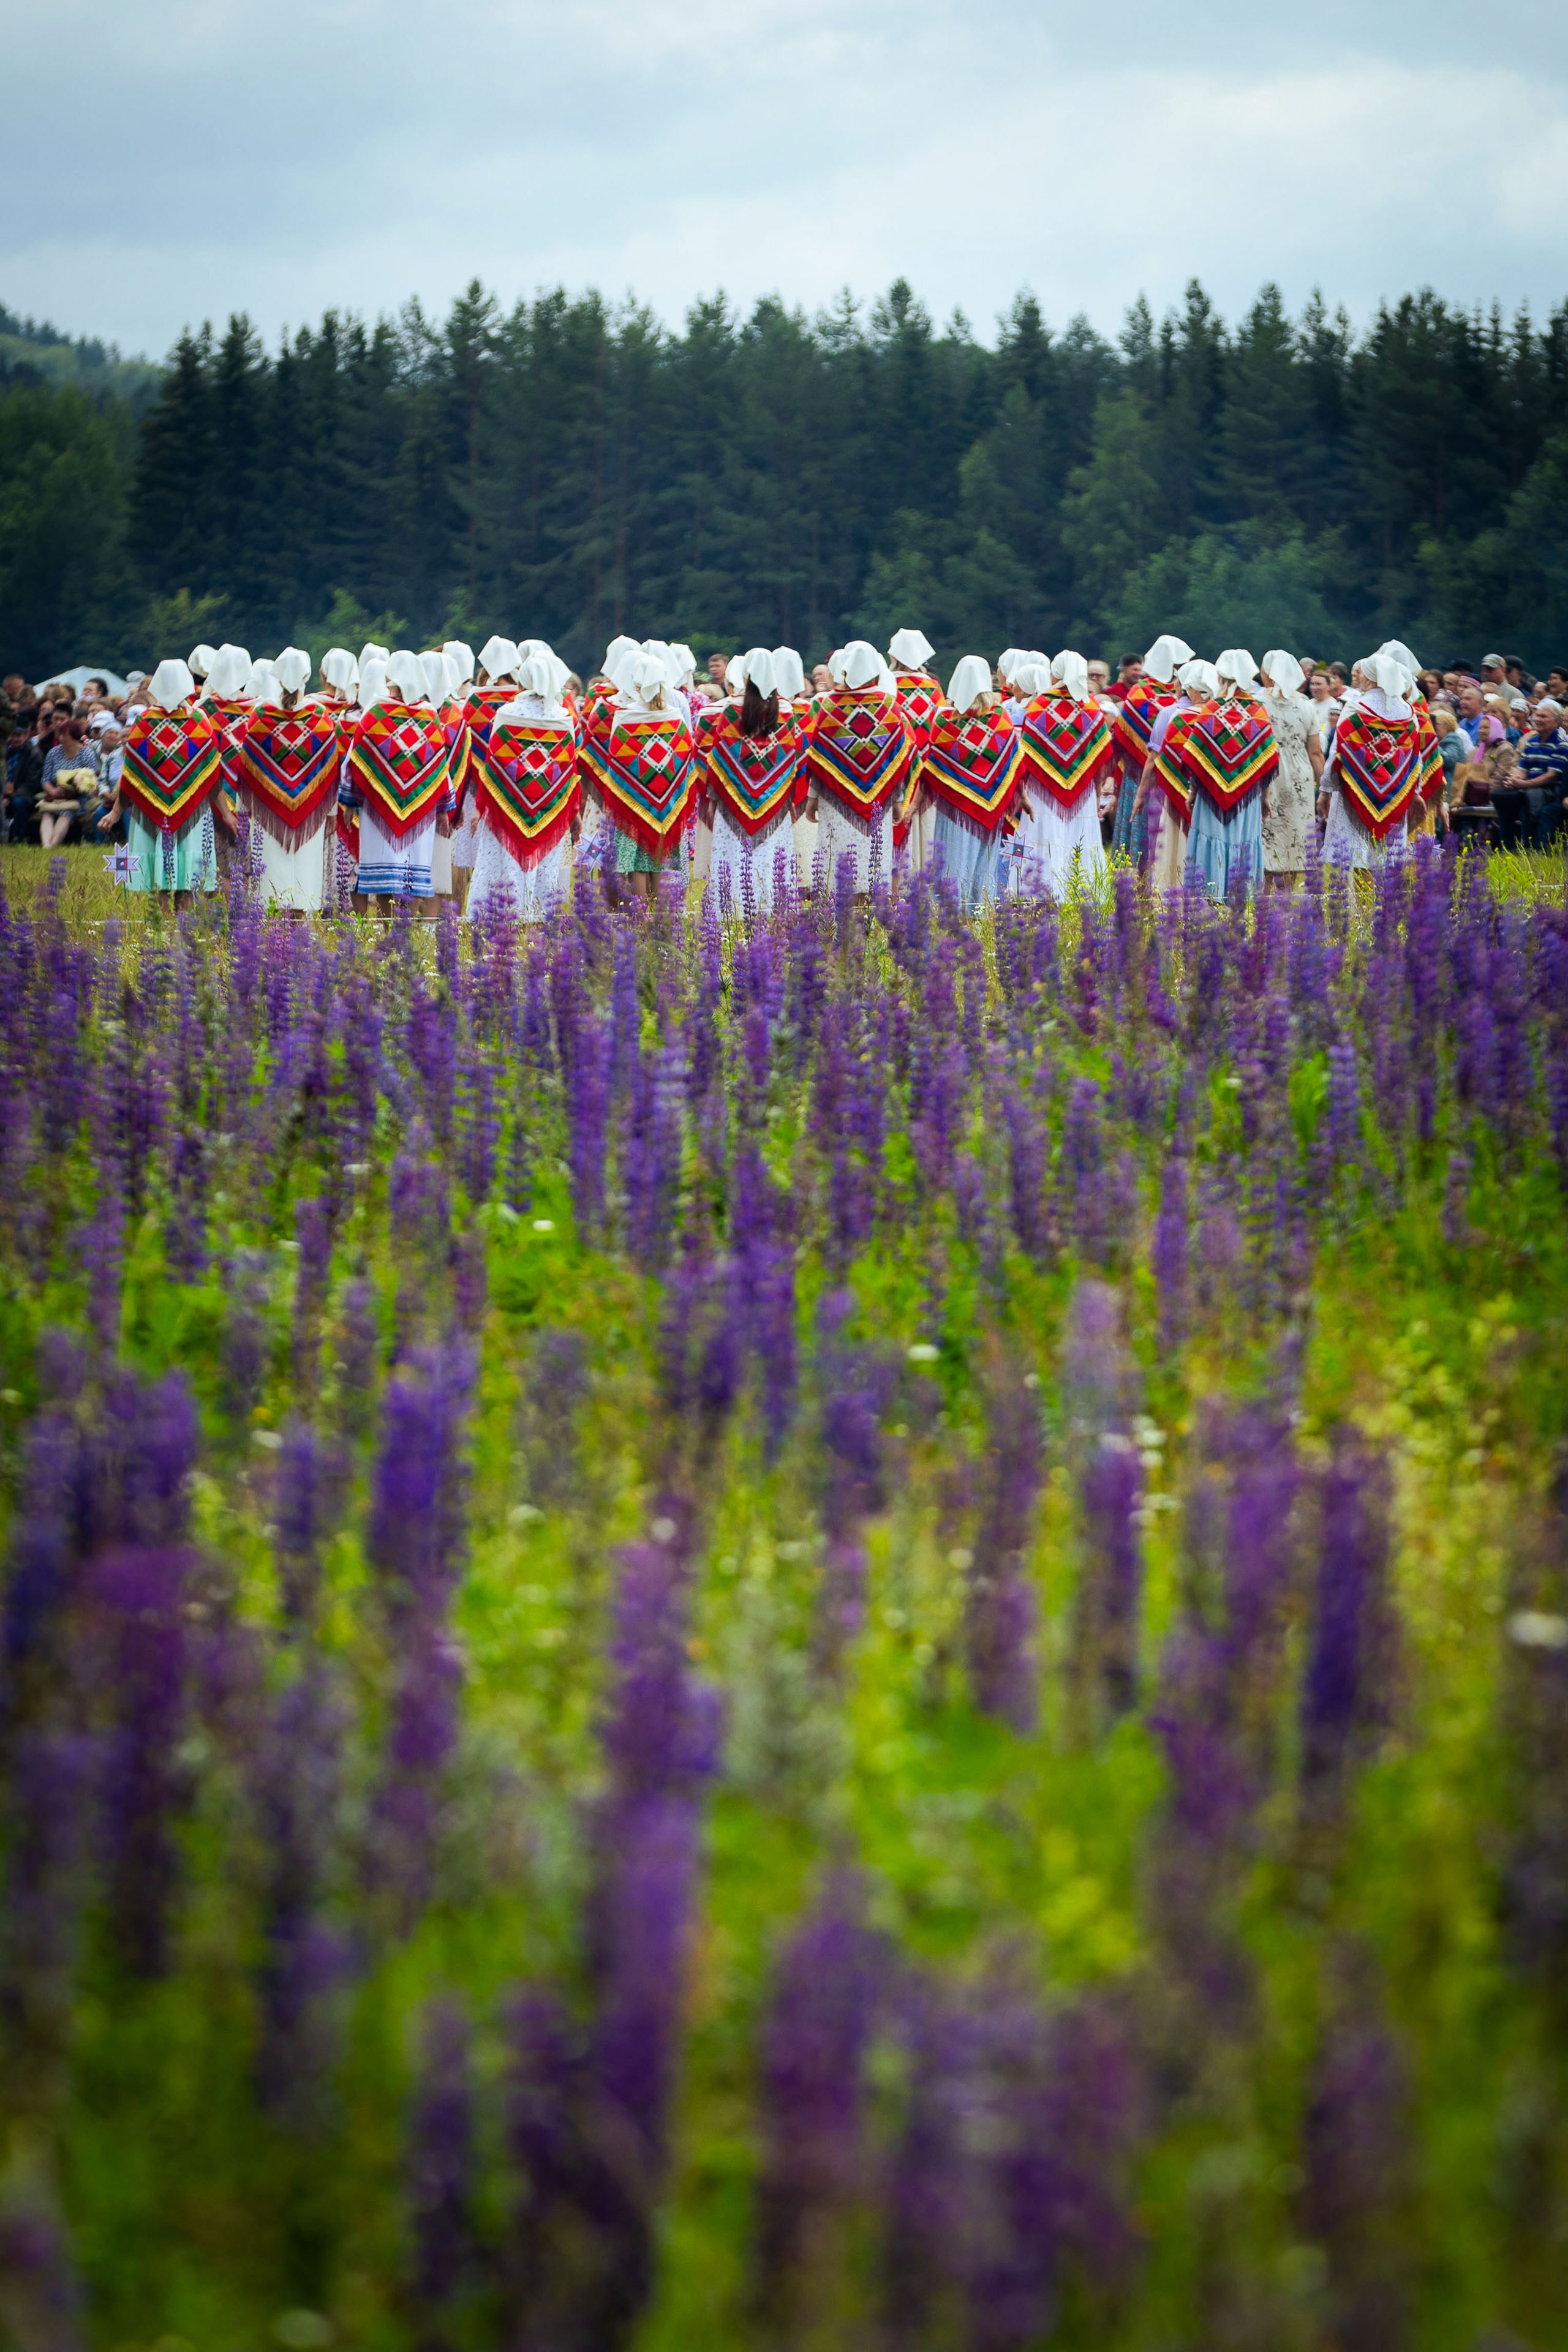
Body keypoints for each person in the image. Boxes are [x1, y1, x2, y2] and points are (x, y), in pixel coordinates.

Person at [466, 650, 581, 922]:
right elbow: (567, 771)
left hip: (507, 809)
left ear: (524, 681)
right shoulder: (563, 718)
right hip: (550, 810)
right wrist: (574, 810)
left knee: (505, 867)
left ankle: (503, 923)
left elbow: (492, 767)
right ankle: (539, 928)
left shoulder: (507, 714)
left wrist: (479, 808)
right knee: (544, 870)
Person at [1158, 648, 1276, 902]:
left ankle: (1209, 896)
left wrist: (1192, 793)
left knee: (1211, 840)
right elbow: (1266, 762)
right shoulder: (1258, 712)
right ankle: (1240, 896)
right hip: (1248, 799)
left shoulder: (1211, 711)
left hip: (1210, 797)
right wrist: (1265, 798)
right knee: (1242, 841)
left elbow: (1196, 757)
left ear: (1221, 678)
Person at [229, 646, 338, 912]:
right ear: (306, 677)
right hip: (311, 812)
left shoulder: (261, 716)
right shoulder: (320, 718)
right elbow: (331, 771)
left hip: (268, 812)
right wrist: (332, 812)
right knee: (305, 875)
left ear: (278, 678)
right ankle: (301, 937)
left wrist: (245, 810)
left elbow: (247, 769)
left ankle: (272, 940)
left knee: (272, 879)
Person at [800, 639, 913, 894]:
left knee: (836, 857)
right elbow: (897, 762)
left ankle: (833, 906)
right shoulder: (888, 705)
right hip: (879, 799)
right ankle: (874, 905)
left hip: (835, 799)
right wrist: (898, 800)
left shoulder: (829, 705)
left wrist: (812, 798)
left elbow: (818, 757)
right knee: (873, 855)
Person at [105, 658, 223, 902]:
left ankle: (163, 918)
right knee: (187, 864)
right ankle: (181, 923)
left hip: (151, 808)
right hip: (193, 808)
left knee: (159, 870)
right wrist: (226, 813)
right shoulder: (199, 722)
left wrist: (117, 810)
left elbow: (130, 773)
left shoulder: (145, 722)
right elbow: (212, 773)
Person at [698, 647, 803, 915]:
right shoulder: (786, 710)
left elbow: (719, 756)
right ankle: (773, 911)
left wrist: (713, 797)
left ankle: (731, 912)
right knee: (771, 857)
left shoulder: (732, 709)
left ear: (745, 675)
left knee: (734, 856)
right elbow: (791, 759)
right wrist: (787, 796)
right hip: (775, 802)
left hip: (732, 801)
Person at [916, 653, 1023, 911]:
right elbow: (1013, 765)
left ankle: (951, 912)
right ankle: (980, 910)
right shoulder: (1000, 720)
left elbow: (930, 768)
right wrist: (1022, 797)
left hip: (954, 809)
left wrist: (913, 805)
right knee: (982, 860)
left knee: (953, 858)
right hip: (989, 807)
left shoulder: (943, 721)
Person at [348, 649, 453, 908]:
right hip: (421, 809)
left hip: (378, 808)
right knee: (411, 870)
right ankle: (405, 933)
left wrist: (350, 801)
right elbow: (441, 767)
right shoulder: (429, 715)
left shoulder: (375, 713)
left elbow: (356, 759)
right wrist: (442, 809)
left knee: (384, 871)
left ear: (389, 676)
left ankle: (387, 929)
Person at [591, 648, 698, 899]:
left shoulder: (625, 718)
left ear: (636, 685)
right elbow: (685, 762)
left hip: (633, 801)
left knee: (638, 860)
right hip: (669, 801)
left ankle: (640, 915)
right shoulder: (675, 718)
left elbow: (615, 763)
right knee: (661, 857)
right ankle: (661, 915)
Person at [1011, 651, 1114, 897]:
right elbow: (1101, 756)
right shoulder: (1091, 708)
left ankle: (1035, 892)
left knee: (1043, 834)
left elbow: (1025, 753)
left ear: (1056, 672)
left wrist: (1022, 790)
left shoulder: (1040, 705)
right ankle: (1085, 892)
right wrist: (1098, 790)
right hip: (1084, 791)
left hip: (1041, 790)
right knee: (1080, 838)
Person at [1317, 652, 1422, 881]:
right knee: (1384, 856)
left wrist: (1326, 789)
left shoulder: (1357, 708)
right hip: (1395, 794)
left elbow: (1338, 752)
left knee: (1357, 852)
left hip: (1354, 791)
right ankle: (1383, 908)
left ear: (1372, 677)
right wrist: (1415, 791)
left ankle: (1362, 910)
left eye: (1364, 673)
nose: (1361, 677)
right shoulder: (1409, 713)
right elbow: (1415, 757)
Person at [1110, 633, 1191, 862]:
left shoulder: (1140, 692)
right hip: (1176, 768)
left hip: (1139, 770)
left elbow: (1120, 739)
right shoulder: (1187, 694)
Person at [1258, 649, 1322, 884]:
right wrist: (1324, 789)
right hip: (1299, 775)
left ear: (1267, 673)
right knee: (1295, 832)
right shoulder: (1306, 706)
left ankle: (1264, 893)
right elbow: (1315, 752)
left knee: (1269, 830)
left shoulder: (1257, 703)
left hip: (1268, 773)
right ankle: (1287, 896)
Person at [887, 627, 946, 872]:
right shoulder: (933, 688)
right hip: (926, 767)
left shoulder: (888, 685)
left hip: (899, 764)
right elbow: (940, 727)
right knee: (926, 825)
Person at [1492, 696, 1568, 851]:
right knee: (1500, 797)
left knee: (1524, 800)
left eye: (1543, 717)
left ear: (1556, 721)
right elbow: (1522, 770)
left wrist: (1523, 784)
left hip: (1549, 790)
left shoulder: (1561, 744)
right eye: (1537, 716)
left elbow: (1552, 776)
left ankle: (1532, 848)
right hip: (1529, 788)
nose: (1538, 720)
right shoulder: (1531, 742)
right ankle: (1508, 848)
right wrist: (1513, 781)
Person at [38, 717, 99, 846]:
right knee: (48, 812)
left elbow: (91, 780)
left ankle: (52, 846)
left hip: (79, 797)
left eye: (65, 735)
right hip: (56, 796)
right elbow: (45, 779)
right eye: (60, 734)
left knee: (66, 812)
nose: (61, 738)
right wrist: (54, 792)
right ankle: (46, 846)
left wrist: (72, 790)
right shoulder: (53, 753)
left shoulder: (86, 754)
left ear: (74, 736)